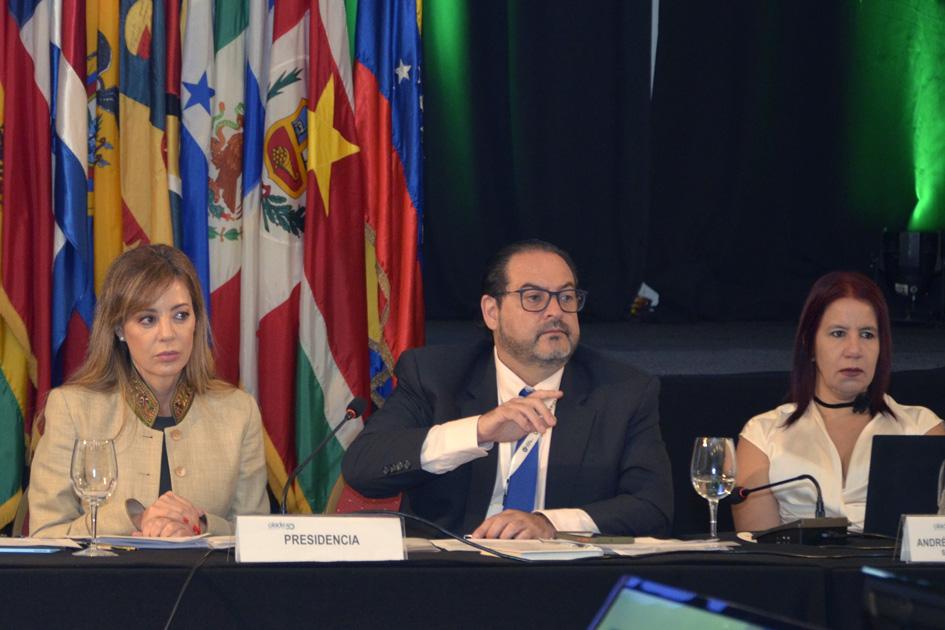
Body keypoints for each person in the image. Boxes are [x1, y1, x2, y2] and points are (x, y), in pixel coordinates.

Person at [343, 239, 673, 539]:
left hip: (567, 581)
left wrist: (550, 523)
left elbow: (653, 506)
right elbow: (363, 468)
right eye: (534, 298)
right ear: (492, 312)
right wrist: (479, 431)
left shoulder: (623, 390)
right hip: (452, 581)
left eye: (567, 297)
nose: (556, 311)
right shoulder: (435, 376)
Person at [30, 245, 268, 537]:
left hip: (207, 583)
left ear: (197, 321)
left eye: (180, 316)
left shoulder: (238, 411)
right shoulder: (73, 408)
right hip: (104, 583)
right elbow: (45, 534)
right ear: (119, 329)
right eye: (148, 319)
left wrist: (201, 524)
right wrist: (136, 519)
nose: (167, 334)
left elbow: (258, 537)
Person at [733, 271, 945, 532]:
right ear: (809, 344)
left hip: (893, 572)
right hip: (802, 572)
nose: (854, 350)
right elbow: (759, 556)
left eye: (867, 334)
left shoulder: (923, 430)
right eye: (838, 333)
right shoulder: (762, 435)